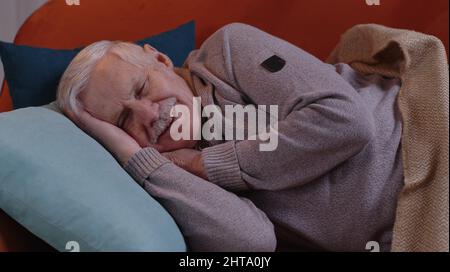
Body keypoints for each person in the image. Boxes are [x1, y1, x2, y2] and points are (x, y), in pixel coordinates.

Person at [56, 23, 404, 252]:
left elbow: (345, 121)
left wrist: (206, 164)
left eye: (144, 87)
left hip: (421, 141)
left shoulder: (226, 51)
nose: (149, 114)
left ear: (160, 59)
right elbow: (251, 243)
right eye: (123, 119)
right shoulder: (168, 178)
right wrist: (141, 161)